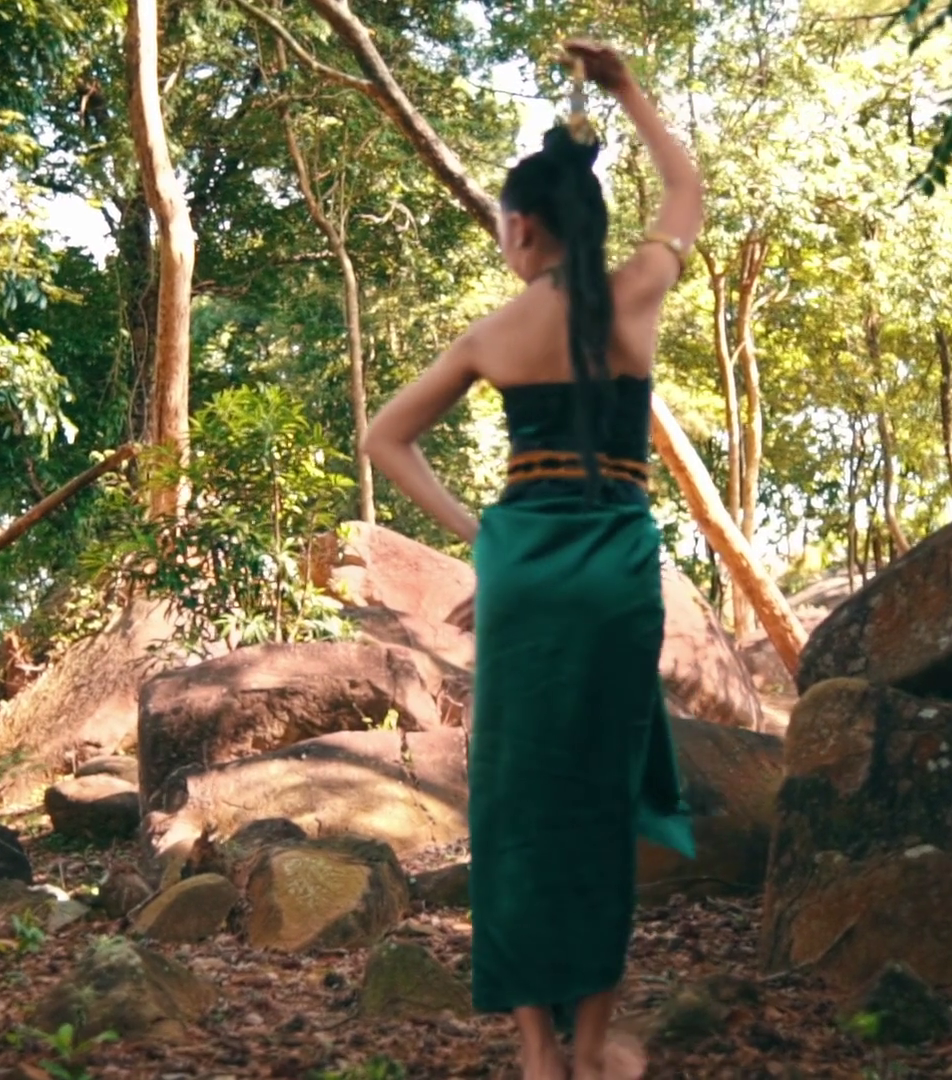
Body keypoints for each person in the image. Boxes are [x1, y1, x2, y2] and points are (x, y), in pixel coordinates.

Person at [361, 39, 703, 1080]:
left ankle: (535, 1053)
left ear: (519, 229)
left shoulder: (493, 334)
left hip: (525, 572)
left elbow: (384, 438)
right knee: (601, 796)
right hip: (616, 568)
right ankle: (592, 1044)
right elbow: (686, 191)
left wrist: (487, 537)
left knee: (514, 800)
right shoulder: (637, 294)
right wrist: (627, 91)